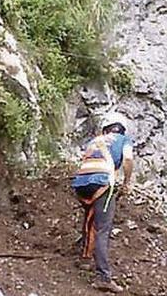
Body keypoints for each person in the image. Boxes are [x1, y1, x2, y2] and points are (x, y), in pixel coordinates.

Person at [71, 111, 134, 293]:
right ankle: (103, 277)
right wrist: (127, 182)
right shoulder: (123, 140)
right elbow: (128, 159)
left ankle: (85, 259)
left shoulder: (95, 141)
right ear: (122, 129)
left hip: (81, 184)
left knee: (90, 219)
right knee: (102, 229)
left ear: (106, 128)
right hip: (102, 183)